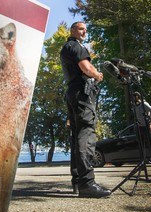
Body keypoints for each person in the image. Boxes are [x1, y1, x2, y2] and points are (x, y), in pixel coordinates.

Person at [60, 21, 111, 198]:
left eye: (85, 30)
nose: (84, 32)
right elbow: (86, 67)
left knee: (76, 137)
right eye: (81, 29)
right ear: (73, 30)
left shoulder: (66, 48)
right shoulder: (76, 46)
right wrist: (97, 74)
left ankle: (77, 181)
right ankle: (87, 183)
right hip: (82, 94)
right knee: (86, 133)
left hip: (72, 93)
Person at [133, 91, 151, 157]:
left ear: (137, 97)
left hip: (146, 126)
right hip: (139, 127)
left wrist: (150, 123)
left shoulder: (144, 104)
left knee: (150, 144)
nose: (132, 99)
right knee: (141, 145)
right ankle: (143, 162)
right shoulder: (134, 106)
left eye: (133, 97)